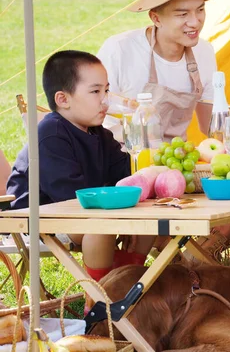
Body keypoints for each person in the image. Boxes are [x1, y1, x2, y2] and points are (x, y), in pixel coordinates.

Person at [6, 51, 155, 281]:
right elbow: (69, 199)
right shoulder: (50, 134)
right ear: (63, 99)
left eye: (106, 90)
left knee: (148, 213)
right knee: (100, 226)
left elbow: (127, 176)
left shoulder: (100, 134)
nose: (105, 100)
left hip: (82, 212)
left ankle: (126, 278)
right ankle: (99, 298)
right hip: (37, 218)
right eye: (95, 91)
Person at [97, 0, 226, 142]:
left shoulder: (204, 52)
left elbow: (211, 127)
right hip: (124, 157)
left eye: (200, 10)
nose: (195, 22)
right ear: (156, 18)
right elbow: (92, 118)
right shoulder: (119, 50)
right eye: (183, 14)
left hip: (178, 159)